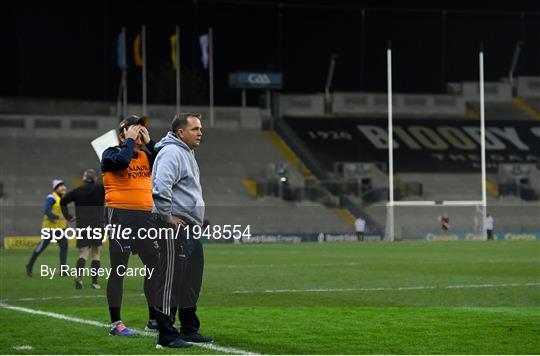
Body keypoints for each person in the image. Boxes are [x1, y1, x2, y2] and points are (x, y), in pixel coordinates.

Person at [152, 113, 213, 348]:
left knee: (190, 279)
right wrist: (167, 218)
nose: (200, 132)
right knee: (171, 280)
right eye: (195, 128)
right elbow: (160, 187)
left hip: (190, 228)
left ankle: (189, 328)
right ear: (180, 133)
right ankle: (166, 335)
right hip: (175, 229)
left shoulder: (186, 152)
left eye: (200, 129)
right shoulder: (172, 152)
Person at [101, 115, 160, 336]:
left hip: (145, 218)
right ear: (122, 134)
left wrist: (150, 142)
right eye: (134, 129)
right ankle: (116, 324)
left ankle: (154, 318)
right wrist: (129, 141)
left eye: (141, 129)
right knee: (119, 269)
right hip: (120, 217)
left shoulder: (146, 155)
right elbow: (123, 162)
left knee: (155, 266)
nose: (138, 133)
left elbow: (164, 162)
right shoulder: (110, 154)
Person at [60, 169, 105, 289]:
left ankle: (79, 279)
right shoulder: (101, 189)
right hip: (97, 225)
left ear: (84, 179)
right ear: (95, 179)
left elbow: (63, 202)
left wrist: (68, 217)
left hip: (82, 226)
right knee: (96, 253)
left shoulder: (77, 191)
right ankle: (94, 283)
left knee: (83, 253)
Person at [26, 180, 69, 277]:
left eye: (63, 186)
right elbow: (47, 211)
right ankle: (29, 265)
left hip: (59, 229)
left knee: (64, 247)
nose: (63, 188)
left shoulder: (62, 199)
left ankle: (63, 270)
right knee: (41, 247)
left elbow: (61, 213)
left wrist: (65, 222)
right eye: (60, 186)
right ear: (55, 189)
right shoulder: (51, 197)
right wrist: (57, 218)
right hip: (49, 229)